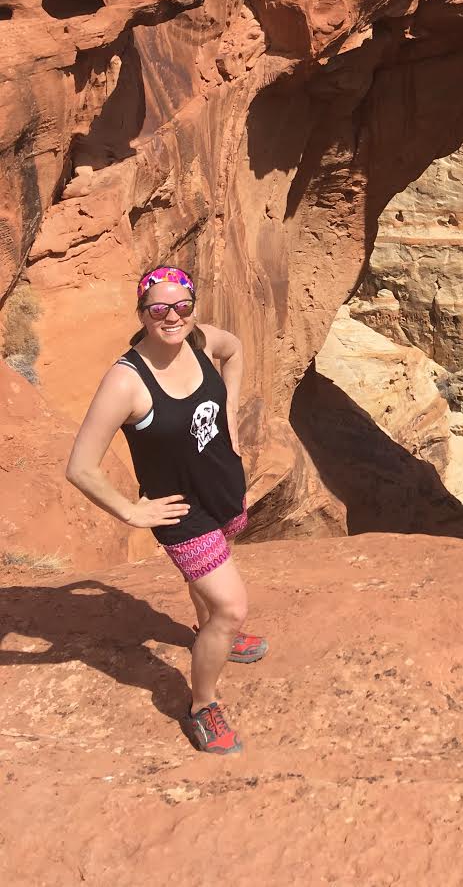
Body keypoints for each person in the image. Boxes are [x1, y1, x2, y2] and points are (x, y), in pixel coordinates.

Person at [66, 265, 267, 755]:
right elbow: (80, 466)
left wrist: (231, 415)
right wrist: (131, 513)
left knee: (214, 590)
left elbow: (235, 349)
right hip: (180, 513)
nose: (172, 316)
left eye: (182, 306)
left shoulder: (200, 341)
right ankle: (203, 707)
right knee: (231, 606)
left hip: (223, 484)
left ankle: (209, 633)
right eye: (159, 308)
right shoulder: (127, 380)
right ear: (142, 314)